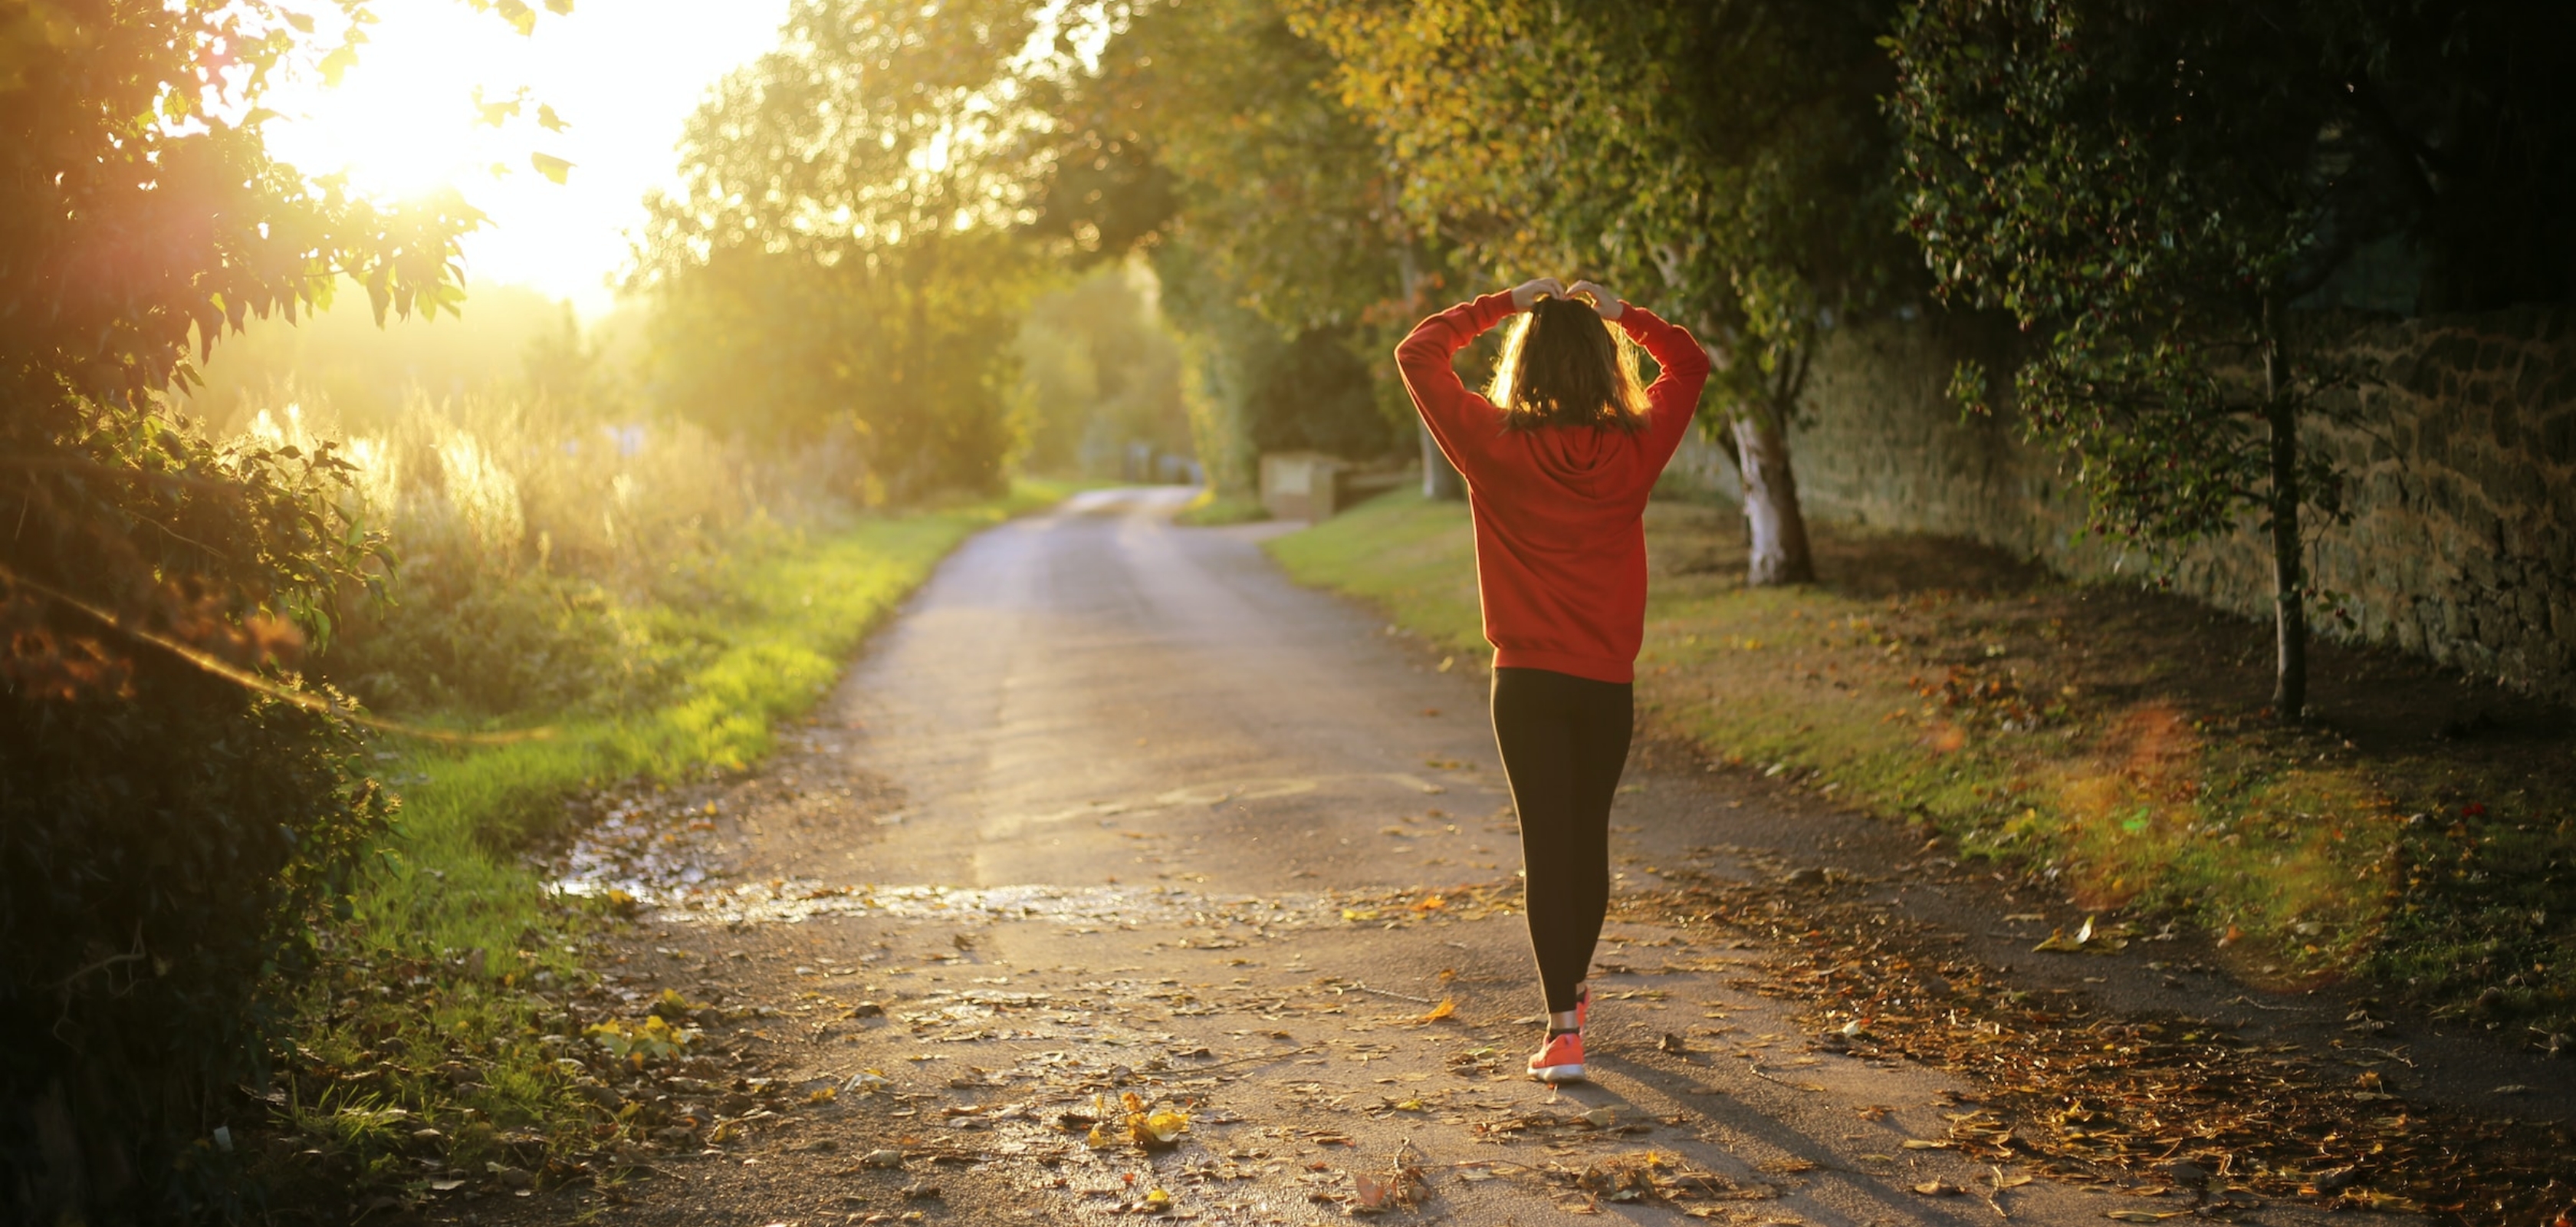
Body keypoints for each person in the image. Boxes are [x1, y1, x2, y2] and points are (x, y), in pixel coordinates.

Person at [1395, 276, 1710, 1083]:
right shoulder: (1637, 445)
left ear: (1524, 365)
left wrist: (1503, 303)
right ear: (1606, 368)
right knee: (1587, 840)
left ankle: (1563, 1027)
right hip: (1605, 682)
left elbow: (1418, 352)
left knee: (1547, 845)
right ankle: (1569, 996)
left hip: (1527, 681)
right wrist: (1625, 315)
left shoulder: (1490, 442)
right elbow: (1690, 361)